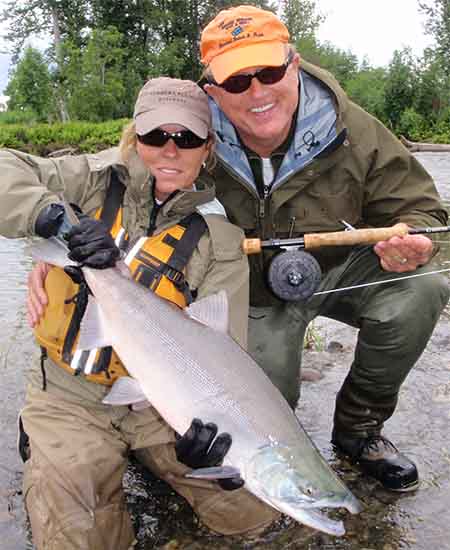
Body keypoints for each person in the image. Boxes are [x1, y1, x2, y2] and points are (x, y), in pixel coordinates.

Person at [0, 77, 278, 550]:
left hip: (161, 405)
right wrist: (50, 219)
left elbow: (225, 356)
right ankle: (54, 445)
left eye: (187, 138)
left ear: (207, 148)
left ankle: (147, 462)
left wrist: (215, 437)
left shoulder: (221, 239)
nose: (171, 150)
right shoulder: (87, 179)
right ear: (135, 136)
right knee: (82, 538)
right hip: (72, 392)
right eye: (156, 136)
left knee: (250, 513)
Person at [197, 5, 450, 492]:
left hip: (339, 271)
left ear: (293, 65)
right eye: (237, 82)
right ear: (213, 92)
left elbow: (423, 210)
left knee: (422, 288)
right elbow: (112, 193)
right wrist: (56, 251)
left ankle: (359, 431)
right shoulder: (183, 134)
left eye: (269, 72)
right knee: (264, 413)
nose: (257, 92)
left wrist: (413, 242)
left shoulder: (351, 126)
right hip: (248, 295)